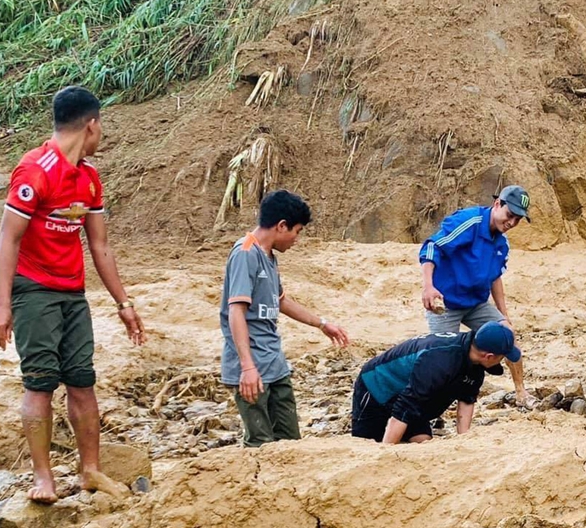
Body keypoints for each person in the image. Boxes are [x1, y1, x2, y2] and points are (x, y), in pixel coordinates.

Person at [0, 85, 146, 504]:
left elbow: (100, 246)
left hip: (73, 292)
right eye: (102, 126)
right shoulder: (34, 170)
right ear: (91, 124)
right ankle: (43, 479)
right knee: (39, 383)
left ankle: (90, 469)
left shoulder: (89, 178)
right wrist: (2, 305)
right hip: (34, 290)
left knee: (82, 380)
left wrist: (123, 303)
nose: (102, 134)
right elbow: (8, 238)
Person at [219, 189, 350, 446]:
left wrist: (322, 324)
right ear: (281, 226)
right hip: (253, 369)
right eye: (297, 231)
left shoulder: (269, 257)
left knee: (290, 442)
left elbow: (280, 301)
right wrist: (247, 367)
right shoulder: (245, 253)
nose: (296, 239)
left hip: (274, 365)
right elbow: (236, 312)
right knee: (261, 444)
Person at [419, 185, 531, 405]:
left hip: (476, 303)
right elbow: (432, 247)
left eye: (517, 220)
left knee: (508, 335)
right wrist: (428, 286)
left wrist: (504, 315)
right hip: (446, 303)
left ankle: (521, 393)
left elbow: (495, 278)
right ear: (497, 204)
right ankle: (428, 406)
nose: (511, 223)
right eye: (509, 215)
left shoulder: (502, 243)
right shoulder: (469, 222)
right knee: (443, 357)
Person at [351, 323, 519, 443]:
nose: (502, 361)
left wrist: (464, 443)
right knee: (367, 445)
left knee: (423, 442)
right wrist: (386, 453)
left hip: (416, 396)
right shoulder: (440, 360)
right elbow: (406, 406)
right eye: (502, 357)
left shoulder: (475, 362)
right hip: (378, 386)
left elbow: (467, 401)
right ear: (489, 356)